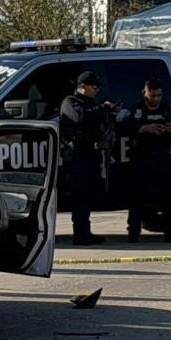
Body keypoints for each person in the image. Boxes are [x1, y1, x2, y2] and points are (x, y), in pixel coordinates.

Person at [59, 70, 119, 245]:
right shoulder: (70, 102)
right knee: (80, 196)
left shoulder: (92, 104)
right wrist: (103, 109)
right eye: (94, 86)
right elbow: (81, 117)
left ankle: (86, 232)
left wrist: (110, 112)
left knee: (89, 196)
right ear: (82, 87)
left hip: (92, 155)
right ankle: (80, 234)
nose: (97, 90)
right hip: (77, 156)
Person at [121, 79, 171, 244]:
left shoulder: (168, 111)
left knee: (168, 197)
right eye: (152, 95)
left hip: (164, 159)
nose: (155, 99)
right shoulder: (136, 110)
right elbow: (125, 128)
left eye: (159, 95)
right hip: (141, 159)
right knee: (136, 199)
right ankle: (133, 233)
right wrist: (144, 129)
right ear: (144, 93)